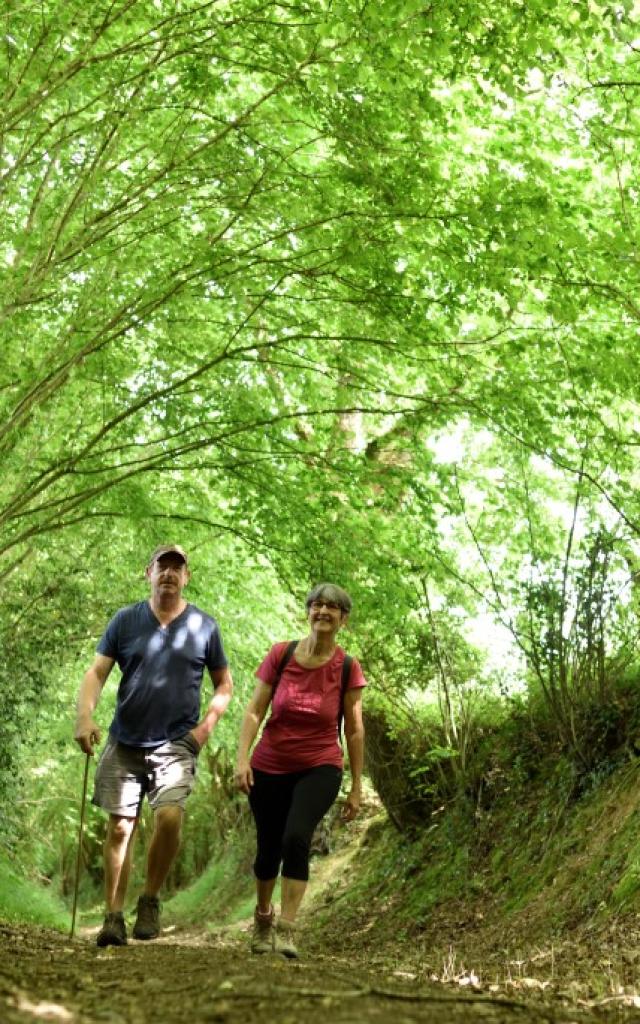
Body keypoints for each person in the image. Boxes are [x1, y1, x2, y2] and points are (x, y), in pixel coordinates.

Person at [74, 545, 233, 947]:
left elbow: (224, 685)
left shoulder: (204, 626)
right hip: (125, 739)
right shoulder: (126, 621)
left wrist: (205, 728)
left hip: (177, 742)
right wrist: (84, 716)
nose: (169, 574)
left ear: (187, 578)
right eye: (163, 567)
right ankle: (113, 916)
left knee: (169, 819)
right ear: (149, 572)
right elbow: (96, 672)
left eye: (177, 569)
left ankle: (149, 900)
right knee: (120, 828)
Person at [235, 582, 366, 959]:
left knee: (296, 837)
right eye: (317, 605)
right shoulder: (282, 654)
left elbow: (355, 730)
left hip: (320, 765)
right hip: (269, 764)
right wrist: (242, 759)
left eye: (332, 607)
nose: (323, 612)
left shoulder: (347, 667)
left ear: (343, 618)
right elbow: (254, 710)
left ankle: (287, 928)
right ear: (308, 612)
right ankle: (262, 918)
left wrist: (357, 786)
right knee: (268, 848)